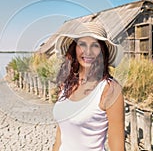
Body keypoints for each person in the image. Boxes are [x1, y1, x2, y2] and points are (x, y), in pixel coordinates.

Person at [52, 21, 125, 151]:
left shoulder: (110, 90)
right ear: (74, 48)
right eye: (82, 44)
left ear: (103, 51)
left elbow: (118, 148)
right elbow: (60, 136)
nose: (88, 51)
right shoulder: (66, 85)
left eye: (95, 45)